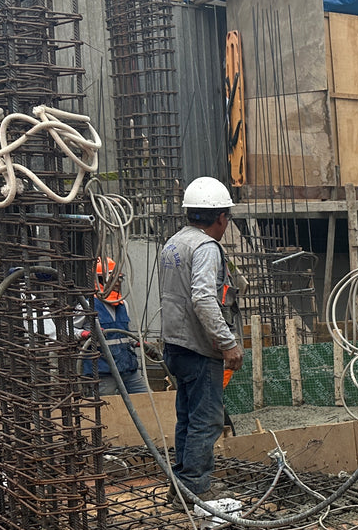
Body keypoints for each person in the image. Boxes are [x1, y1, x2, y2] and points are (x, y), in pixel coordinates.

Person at [157, 177, 243, 502]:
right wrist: (227, 342)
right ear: (220, 217)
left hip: (175, 346)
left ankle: (180, 486)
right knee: (206, 421)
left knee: (187, 418)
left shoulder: (174, 244)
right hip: (198, 349)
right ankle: (196, 489)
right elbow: (204, 298)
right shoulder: (206, 247)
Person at [84, 258, 148, 397]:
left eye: (119, 279)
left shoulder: (123, 304)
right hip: (103, 371)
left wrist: (139, 343)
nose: (118, 283)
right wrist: (84, 334)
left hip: (127, 368)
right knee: (107, 408)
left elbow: (124, 335)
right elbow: (69, 331)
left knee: (147, 399)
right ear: (101, 280)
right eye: (114, 279)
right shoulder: (88, 305)